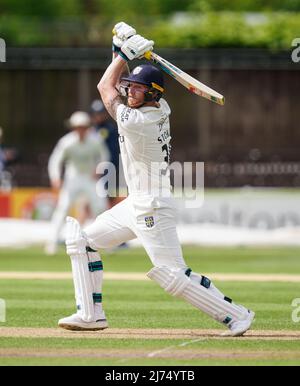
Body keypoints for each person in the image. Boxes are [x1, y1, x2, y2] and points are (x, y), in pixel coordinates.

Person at [58, 22, 255, 336]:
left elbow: (104, 89)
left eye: (137, 88)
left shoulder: (140, 121)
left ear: (152, 94)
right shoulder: (160, 106)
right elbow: (117, 82)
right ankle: (90, 314)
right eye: (130, 87)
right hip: (135, 202)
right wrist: (119, 46)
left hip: (152, 207)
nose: (130, 91)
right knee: (81, 241)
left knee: (172, 275)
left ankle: (237, 315)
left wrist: (125, 52)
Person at [45, 111, 110, 255]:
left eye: (83, 127)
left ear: (87, 127)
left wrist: (98, 169)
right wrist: (55, 177)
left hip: (90, 178)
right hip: (72, 177)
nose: (80, 130)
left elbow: (105, 156)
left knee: (100, 208)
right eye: (77, 127)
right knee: (63, 208)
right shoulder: (66, 142)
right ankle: (52, 242)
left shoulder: (95, 140)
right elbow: (55, 160)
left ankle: (107, 244)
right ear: (73, 128)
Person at [90, 99, 121, 207]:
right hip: (94, 169)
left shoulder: (111, 129)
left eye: (101, 113)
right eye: (96, 114)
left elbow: (114, 151)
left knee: (109, 195)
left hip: (109, 167)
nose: (98, 116)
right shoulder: (91, 130)